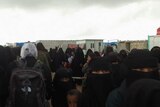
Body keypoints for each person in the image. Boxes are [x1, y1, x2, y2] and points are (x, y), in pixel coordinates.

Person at [5, 42, 52, 107]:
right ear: (36, 52)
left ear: (22, 51)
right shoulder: (44, 68)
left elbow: (6, 90)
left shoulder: (12, 66)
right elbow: (49, 94)